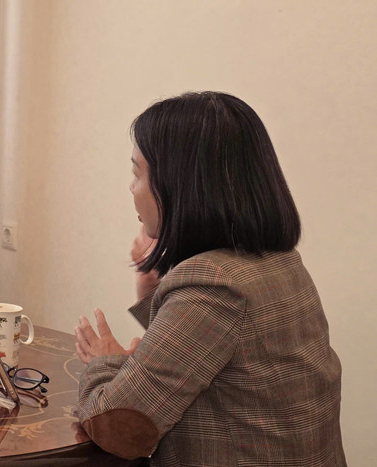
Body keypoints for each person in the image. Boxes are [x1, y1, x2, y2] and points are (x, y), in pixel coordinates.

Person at [74, 92, 346, 466]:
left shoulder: (213, 285)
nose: (131, 188)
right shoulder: (278, 262)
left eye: (137, 172)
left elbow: (120, 432)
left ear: (180, 184)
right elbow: (208, 363)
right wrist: (153, 291)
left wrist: (101, 363)